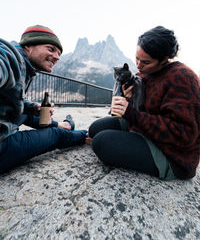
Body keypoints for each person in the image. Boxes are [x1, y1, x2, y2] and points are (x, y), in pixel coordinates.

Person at [87, 26, 200, 180]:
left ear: (164, 58)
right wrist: (129, 99)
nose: (139, 66)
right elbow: (144, 108)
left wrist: (130, 112)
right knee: (95, 128)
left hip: (171, 154)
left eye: (145, 62)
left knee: (101, 142)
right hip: (146, 130)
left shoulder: (183, 78)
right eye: (137, 59)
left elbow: (183, 135)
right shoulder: (147, 73)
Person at [0, 25, 87, 174]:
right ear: (28, 46)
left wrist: (32, 107)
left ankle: (63, 125)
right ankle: (85, 134)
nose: (57, 57)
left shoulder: (25, 66)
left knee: (29, 114)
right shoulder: (11, 57)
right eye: (51, 49)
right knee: (56, 135)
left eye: (59, 53)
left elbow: (11, 100)